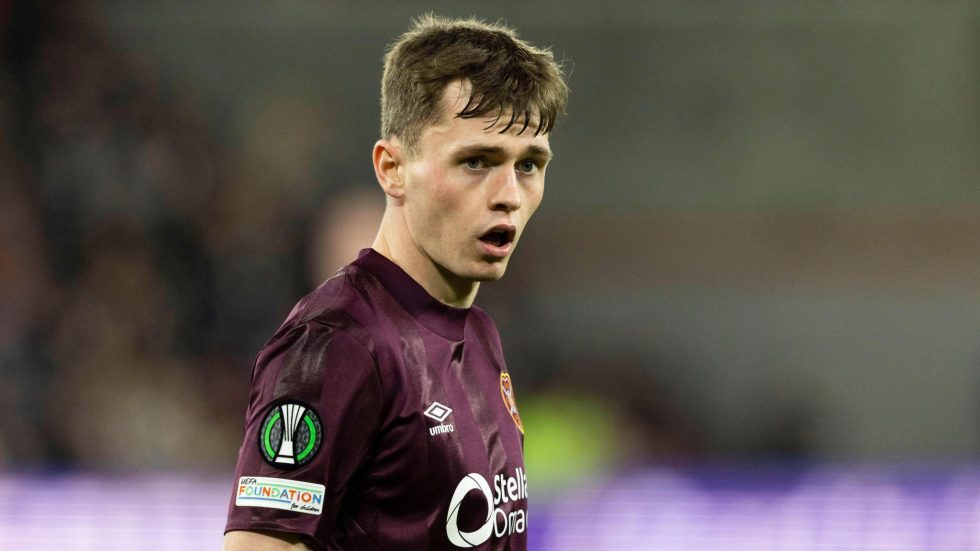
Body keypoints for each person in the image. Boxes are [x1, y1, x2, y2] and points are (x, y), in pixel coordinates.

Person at [223, 14, 568, 550]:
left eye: (528, 165)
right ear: (392, 168)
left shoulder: (478, 333)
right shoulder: (338, 344)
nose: (509, 195)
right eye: (476, 161)